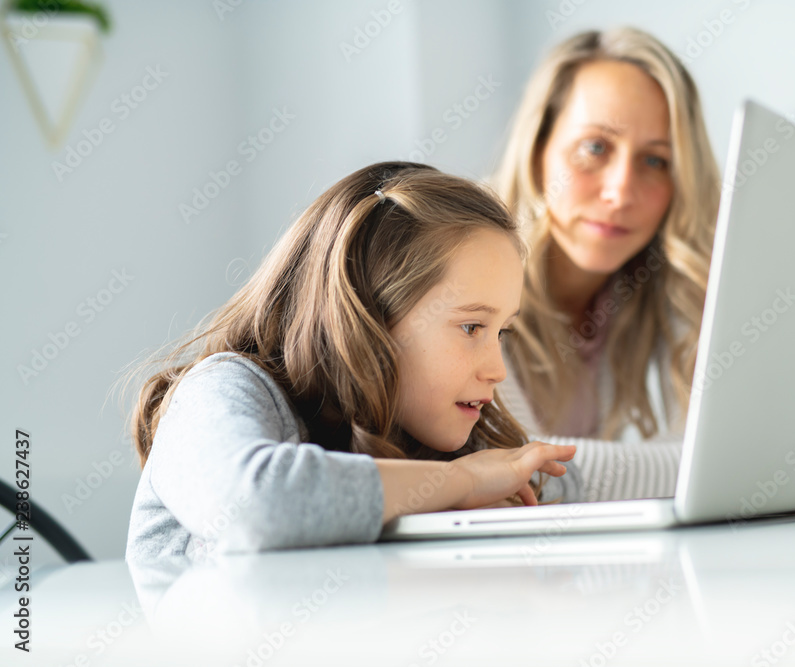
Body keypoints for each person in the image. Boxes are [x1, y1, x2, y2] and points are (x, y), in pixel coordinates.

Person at [123, 162, 578, 560]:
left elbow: (556, 477)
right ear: (368, 317)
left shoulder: (419, 428)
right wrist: (456, 483)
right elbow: (251, 506)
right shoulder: (220, 390)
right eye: (471, 328)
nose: (497, 369)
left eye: (502, 332)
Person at [492, 27, 721, 497]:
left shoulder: (645, 287)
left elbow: (719, 456)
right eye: (595, 148)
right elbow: (516, 469)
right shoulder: (461, 268)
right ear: (536, 151)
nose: (621, 192)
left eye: (656, 161)